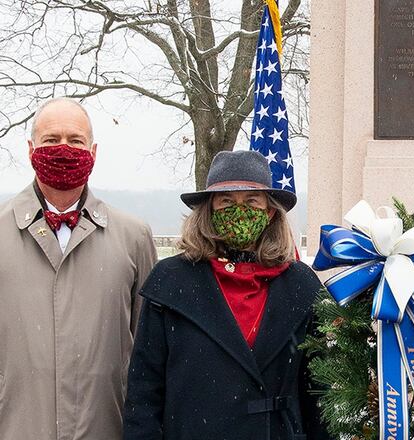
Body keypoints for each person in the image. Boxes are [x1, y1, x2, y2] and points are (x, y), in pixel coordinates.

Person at [123, 150, 328, 439]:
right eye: (227, 201)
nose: (239, 210)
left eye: (252, 201)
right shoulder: (170, 280)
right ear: (209, 209)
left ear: (270, 212)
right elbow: (144, 393)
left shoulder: (301, 285)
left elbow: (319, 394)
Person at [0, 97, 157, 439]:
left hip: (106, 429)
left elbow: (149, 350)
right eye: (51, 140)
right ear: (31, 149)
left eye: (75, 140)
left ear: (94, 151)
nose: (63, 149)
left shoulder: (133, 236)